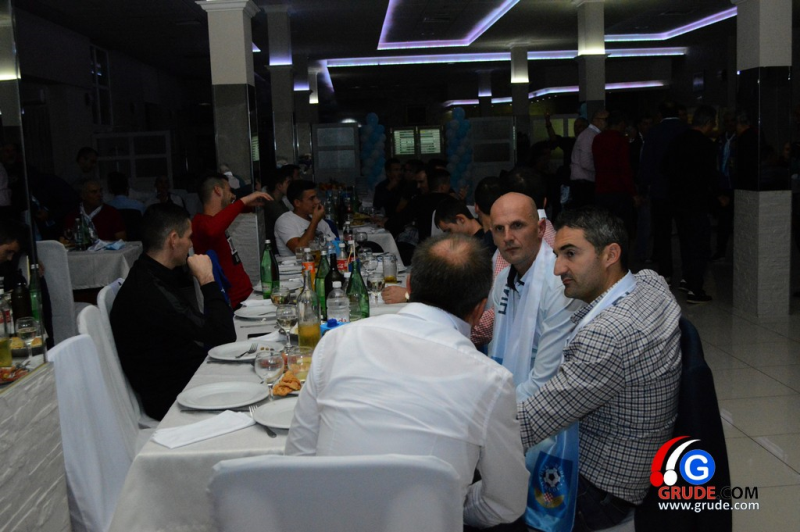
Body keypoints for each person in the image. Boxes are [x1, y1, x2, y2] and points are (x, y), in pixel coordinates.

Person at [286, 234, 528, 529]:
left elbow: (298, 460)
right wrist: (447, 506)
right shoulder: (491, 380)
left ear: (409, 286)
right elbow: (506, 503)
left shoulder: (337, 341)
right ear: (480, 309)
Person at [517, 207, 681, 532]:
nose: (557, 269)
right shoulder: (650, 283)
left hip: (600, 490)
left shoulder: (607, 336)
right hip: (639, 463)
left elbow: (529, 424)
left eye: (571, 254)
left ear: (611, 255)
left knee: (485, 501)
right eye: (556, 255)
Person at [110, 203, 236, 420]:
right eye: (189, 237)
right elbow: (223, 334)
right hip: (174, 399)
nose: (191, 244)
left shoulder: (149, 273)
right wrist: (207, 280)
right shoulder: (150, 290)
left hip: (184, 378)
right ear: (174, 239)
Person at [488, 192, 580, 395]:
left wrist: (498, 409)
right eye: (499, 229)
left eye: (517, 225)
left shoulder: (561, 283)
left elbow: (545, 380)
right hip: (514, 393)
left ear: (540, 229)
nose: (507, 237)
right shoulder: (503, 280)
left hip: (550, 398)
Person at [662, 104, 719, 304]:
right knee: (700, 245)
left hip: (678, 201)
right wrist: (717, 197)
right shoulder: (706, 145)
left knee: (686, 242)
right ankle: (695, 288)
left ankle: (687, 279)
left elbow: (665, 168)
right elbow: (710, 176)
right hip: (697, 201)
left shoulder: (677, 141)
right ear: (708, 123)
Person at [191, 173, 272, 308]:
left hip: (244, 296)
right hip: (230, 303)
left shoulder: (216, 220)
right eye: (229, 190)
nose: (233, 195)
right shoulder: (200, 223)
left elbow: (225, 217)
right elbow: (212, 230)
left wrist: (244, 206)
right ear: (218, 190)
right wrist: (243, 201)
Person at [639, 100, 688, 282]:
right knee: (685, 234)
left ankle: (666, 272)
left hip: (660, 191)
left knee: (662, 233)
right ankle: (687, 274)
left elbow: (647, 163)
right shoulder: (686, 130)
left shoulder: (654, 132)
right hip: (684, 191)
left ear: (660, 115)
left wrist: (644, 187)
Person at [592, 110, 637, 237]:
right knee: (621, 229)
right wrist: (633, 193)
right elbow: (624, 168)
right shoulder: (621, 140)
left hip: (601, 189)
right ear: (621, 124)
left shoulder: (598, 139)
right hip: (619, 191)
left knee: (604, 229)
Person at [274, 180, 336, 257]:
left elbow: (335, 246)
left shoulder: (319, 220)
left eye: (316, 197)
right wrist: (314, 221)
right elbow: (300, 251)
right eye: (311, 199)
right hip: (297, 264)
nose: (317, 201)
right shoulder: (285, 221)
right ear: (297, 203)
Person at [569, 109, 608, 209]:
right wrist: (602, 170)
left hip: (583, 181)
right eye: (606, 120)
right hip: (583, 182)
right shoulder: (589, 135)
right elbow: (585, 162)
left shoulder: (590, 135)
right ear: (596, 120)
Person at [262, 167, 293, 244]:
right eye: (288, 183)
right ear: (279, 186)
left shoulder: (278, 200)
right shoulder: (270, 202)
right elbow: (287, 221)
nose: (291, 186)